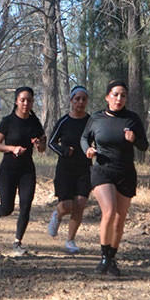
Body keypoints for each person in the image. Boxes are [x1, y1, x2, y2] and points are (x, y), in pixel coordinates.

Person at [80, 80, 148, 276]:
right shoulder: (96, 118)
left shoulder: (132, 119)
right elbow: (84, 138)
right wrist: (88, 149)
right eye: (116, 94)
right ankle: (103, 257)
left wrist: (134, 139)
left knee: (119, 219)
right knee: (109, 211)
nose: (119, 98)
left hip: (125, 172)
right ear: (107, 97)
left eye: (123, 95)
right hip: (102, 170)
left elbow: (144, 145)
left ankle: (112, 258)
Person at [0, 86, 46, 256]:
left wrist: (39, 144)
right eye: (23, 100)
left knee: (26, 205)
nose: (26, 103)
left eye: (29, 100)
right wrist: (12, 148)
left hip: (27, 169)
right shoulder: (8, 121)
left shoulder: (35, 122)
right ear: (16, 101)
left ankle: (17, 242)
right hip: (9, 169)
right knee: (8, 208)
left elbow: (42, 147)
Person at [46, 85, 92, 254]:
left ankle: (70, 240)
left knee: (80, 204)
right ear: (71, 100)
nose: (80, 102)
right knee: (66, 205)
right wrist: (64, 151)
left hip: (84, 169)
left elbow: (99, 140)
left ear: (87, 101)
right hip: (65, 169)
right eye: (77, 99)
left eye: (84, 99)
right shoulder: (64, 121)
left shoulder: (91, 121)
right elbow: (51, 142)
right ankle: (57, 215)